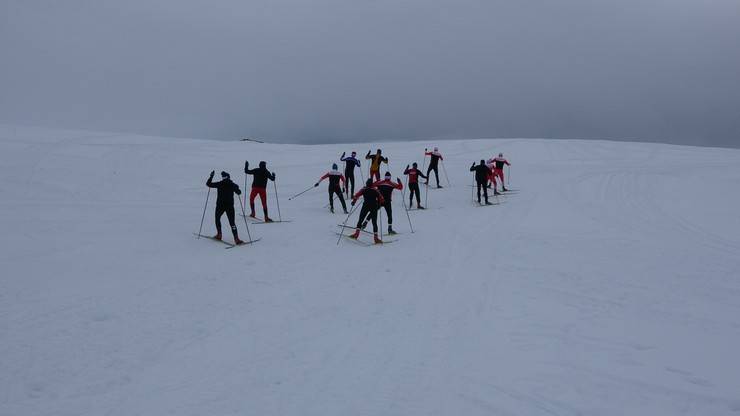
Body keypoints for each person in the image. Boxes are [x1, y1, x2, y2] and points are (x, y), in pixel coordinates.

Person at [206, 170, 244, 244]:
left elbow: (208, 184)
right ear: (229, 177)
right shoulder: (232, 184)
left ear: (223, 178)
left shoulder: (220, 183)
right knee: (232, 222)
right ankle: (236, 239)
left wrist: (211, 176)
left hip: (220, 205)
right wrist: (237, 188)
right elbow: (239, 192)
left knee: (217, 219)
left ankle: (219, 235)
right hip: (230, 206)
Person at [349, 178, 385, 244]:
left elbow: (356, 195)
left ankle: (356, 234)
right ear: (372, 184)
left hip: (365, 206)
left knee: (360, 220)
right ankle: (376, 238)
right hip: (374, 206)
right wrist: (379, 203)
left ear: (366, 183)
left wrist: (354, 201)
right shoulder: (375, 190)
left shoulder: (364, 189)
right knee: (374, 222)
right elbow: (382, 198)